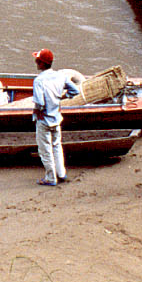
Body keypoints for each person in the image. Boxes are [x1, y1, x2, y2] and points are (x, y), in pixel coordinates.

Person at [30, 49, 83, 187]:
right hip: (56, 117)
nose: (36, 62)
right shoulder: (61, 76)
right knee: (56, 146)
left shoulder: (39, 80)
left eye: (37, 60)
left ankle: (50, 177)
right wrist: (61, 98)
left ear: (41, 63)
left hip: (44, 119)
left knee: (45, 150)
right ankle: (61, 173)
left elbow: (40, 103)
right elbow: (75, 91)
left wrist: (35, 113)